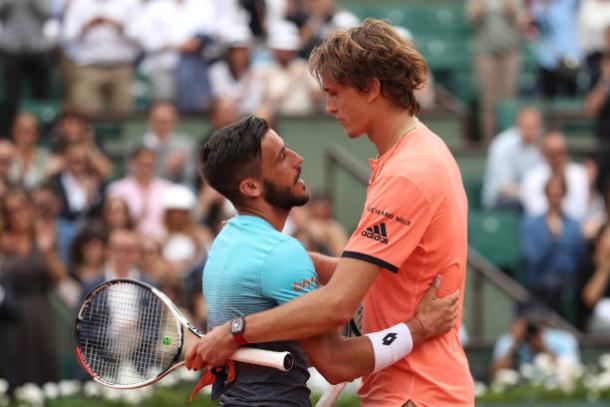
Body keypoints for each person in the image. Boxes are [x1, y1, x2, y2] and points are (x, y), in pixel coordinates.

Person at [186, 19, 474, 406]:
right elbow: (382, 280)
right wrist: (266, 252)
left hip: (416, 391)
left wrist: (235, 331)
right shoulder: (412, 158)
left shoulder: (408, 172)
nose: (329, 107)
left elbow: (338, 303)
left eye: (335, 93)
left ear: (371, 88)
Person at [521, 175, 585, 318]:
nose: (555, 196)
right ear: (546, 193)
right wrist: (552, 238)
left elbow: (577, 258)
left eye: (559, 192)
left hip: (566, 287)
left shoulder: (574, 225)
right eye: (552, 192)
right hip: (539, 286)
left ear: (564, 194)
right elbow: (532, 258)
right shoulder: (532, 224)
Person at [467, 0, 527, 143]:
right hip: (485, 52)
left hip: (510, 51)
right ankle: (489, 143)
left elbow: (522, 20)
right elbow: (472, 18)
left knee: (508, 102)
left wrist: (511, 9)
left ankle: (510, 141)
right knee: (487, 102)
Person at [481, 106, 544, 210]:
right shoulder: (502, 144)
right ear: (518, 125)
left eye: (534, 128)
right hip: (497, 201)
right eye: (527, 127)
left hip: (528, 197)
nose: (531, 131)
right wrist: (534, 193)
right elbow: (504, 189)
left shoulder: (539, 146)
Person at [491, 308, 580, 380]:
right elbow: (495, 374)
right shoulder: (507, 341)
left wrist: (542, 346)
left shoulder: (563, 340)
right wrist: (515, 343)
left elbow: (570, 372)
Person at [520, 131, 590, 222]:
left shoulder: (579, 174)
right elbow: (534, 210)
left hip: (572, 229)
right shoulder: (531, 177)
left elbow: (579, 210)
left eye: (560, 152)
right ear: (544, 154)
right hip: (542, 228)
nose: (557, 158)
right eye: (552, 153)